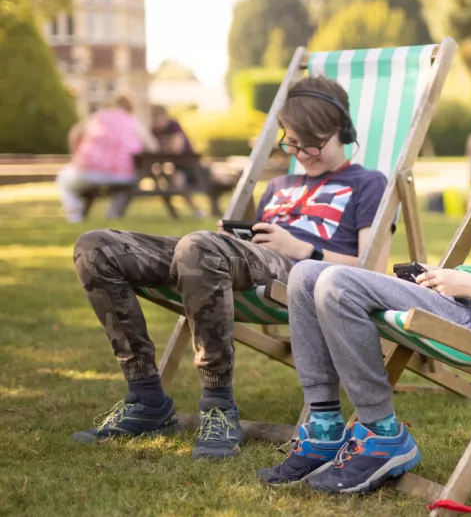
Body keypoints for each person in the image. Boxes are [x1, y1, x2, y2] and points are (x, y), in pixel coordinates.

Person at [257, 80, 471, 494]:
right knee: (304, 276)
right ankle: (325, 425)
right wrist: (446, 280)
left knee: (337, 283)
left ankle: (382, 433)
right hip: (463, 302)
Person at [71, 76, 392, 461]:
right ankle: (146, 398)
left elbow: (371, 270)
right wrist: (233, 241)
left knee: (200, 246)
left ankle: (219, 407)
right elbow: (245, 252)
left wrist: (304, 248)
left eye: (312, 142)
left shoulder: (369, 184)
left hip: (304, 274)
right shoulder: (278, 186)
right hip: (237, 263)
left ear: (343, 130)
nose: (301, 152)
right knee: (96, 248)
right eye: (290, 141)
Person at [57, 95, 158, 223]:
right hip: (122, 174)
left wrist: (75, 155)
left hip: (89, 170)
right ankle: (112, 215)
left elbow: (75, 133)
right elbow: (153, 146)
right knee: (127, 186)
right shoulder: (132, 121)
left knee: (63, 179)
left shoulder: (98, 116)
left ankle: (74, 212)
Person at [150, 105, 207, 217]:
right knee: (164, 181)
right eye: (153, 118)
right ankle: (184, 212)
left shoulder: (174, 126)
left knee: (176, 180)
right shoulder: (154, 130)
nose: (155, 121)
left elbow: (177, 148)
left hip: (190, 165)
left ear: (165, 117)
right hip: (174, 166)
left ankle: (197, 210)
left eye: (157, 118)